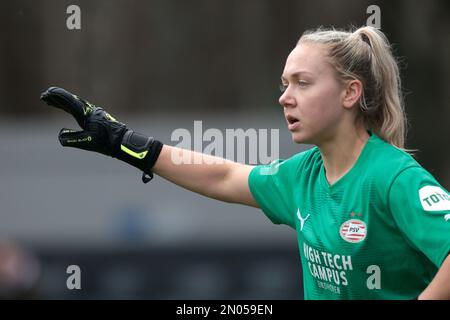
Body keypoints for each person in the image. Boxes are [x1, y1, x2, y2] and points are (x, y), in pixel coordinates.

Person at [40, 25, 450, 300]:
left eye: (302, 83)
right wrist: (126, 145)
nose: (285, 97)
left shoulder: (392, 177)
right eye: (284, 84)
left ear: (350, 93)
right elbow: (223, 175)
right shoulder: (303, 175)